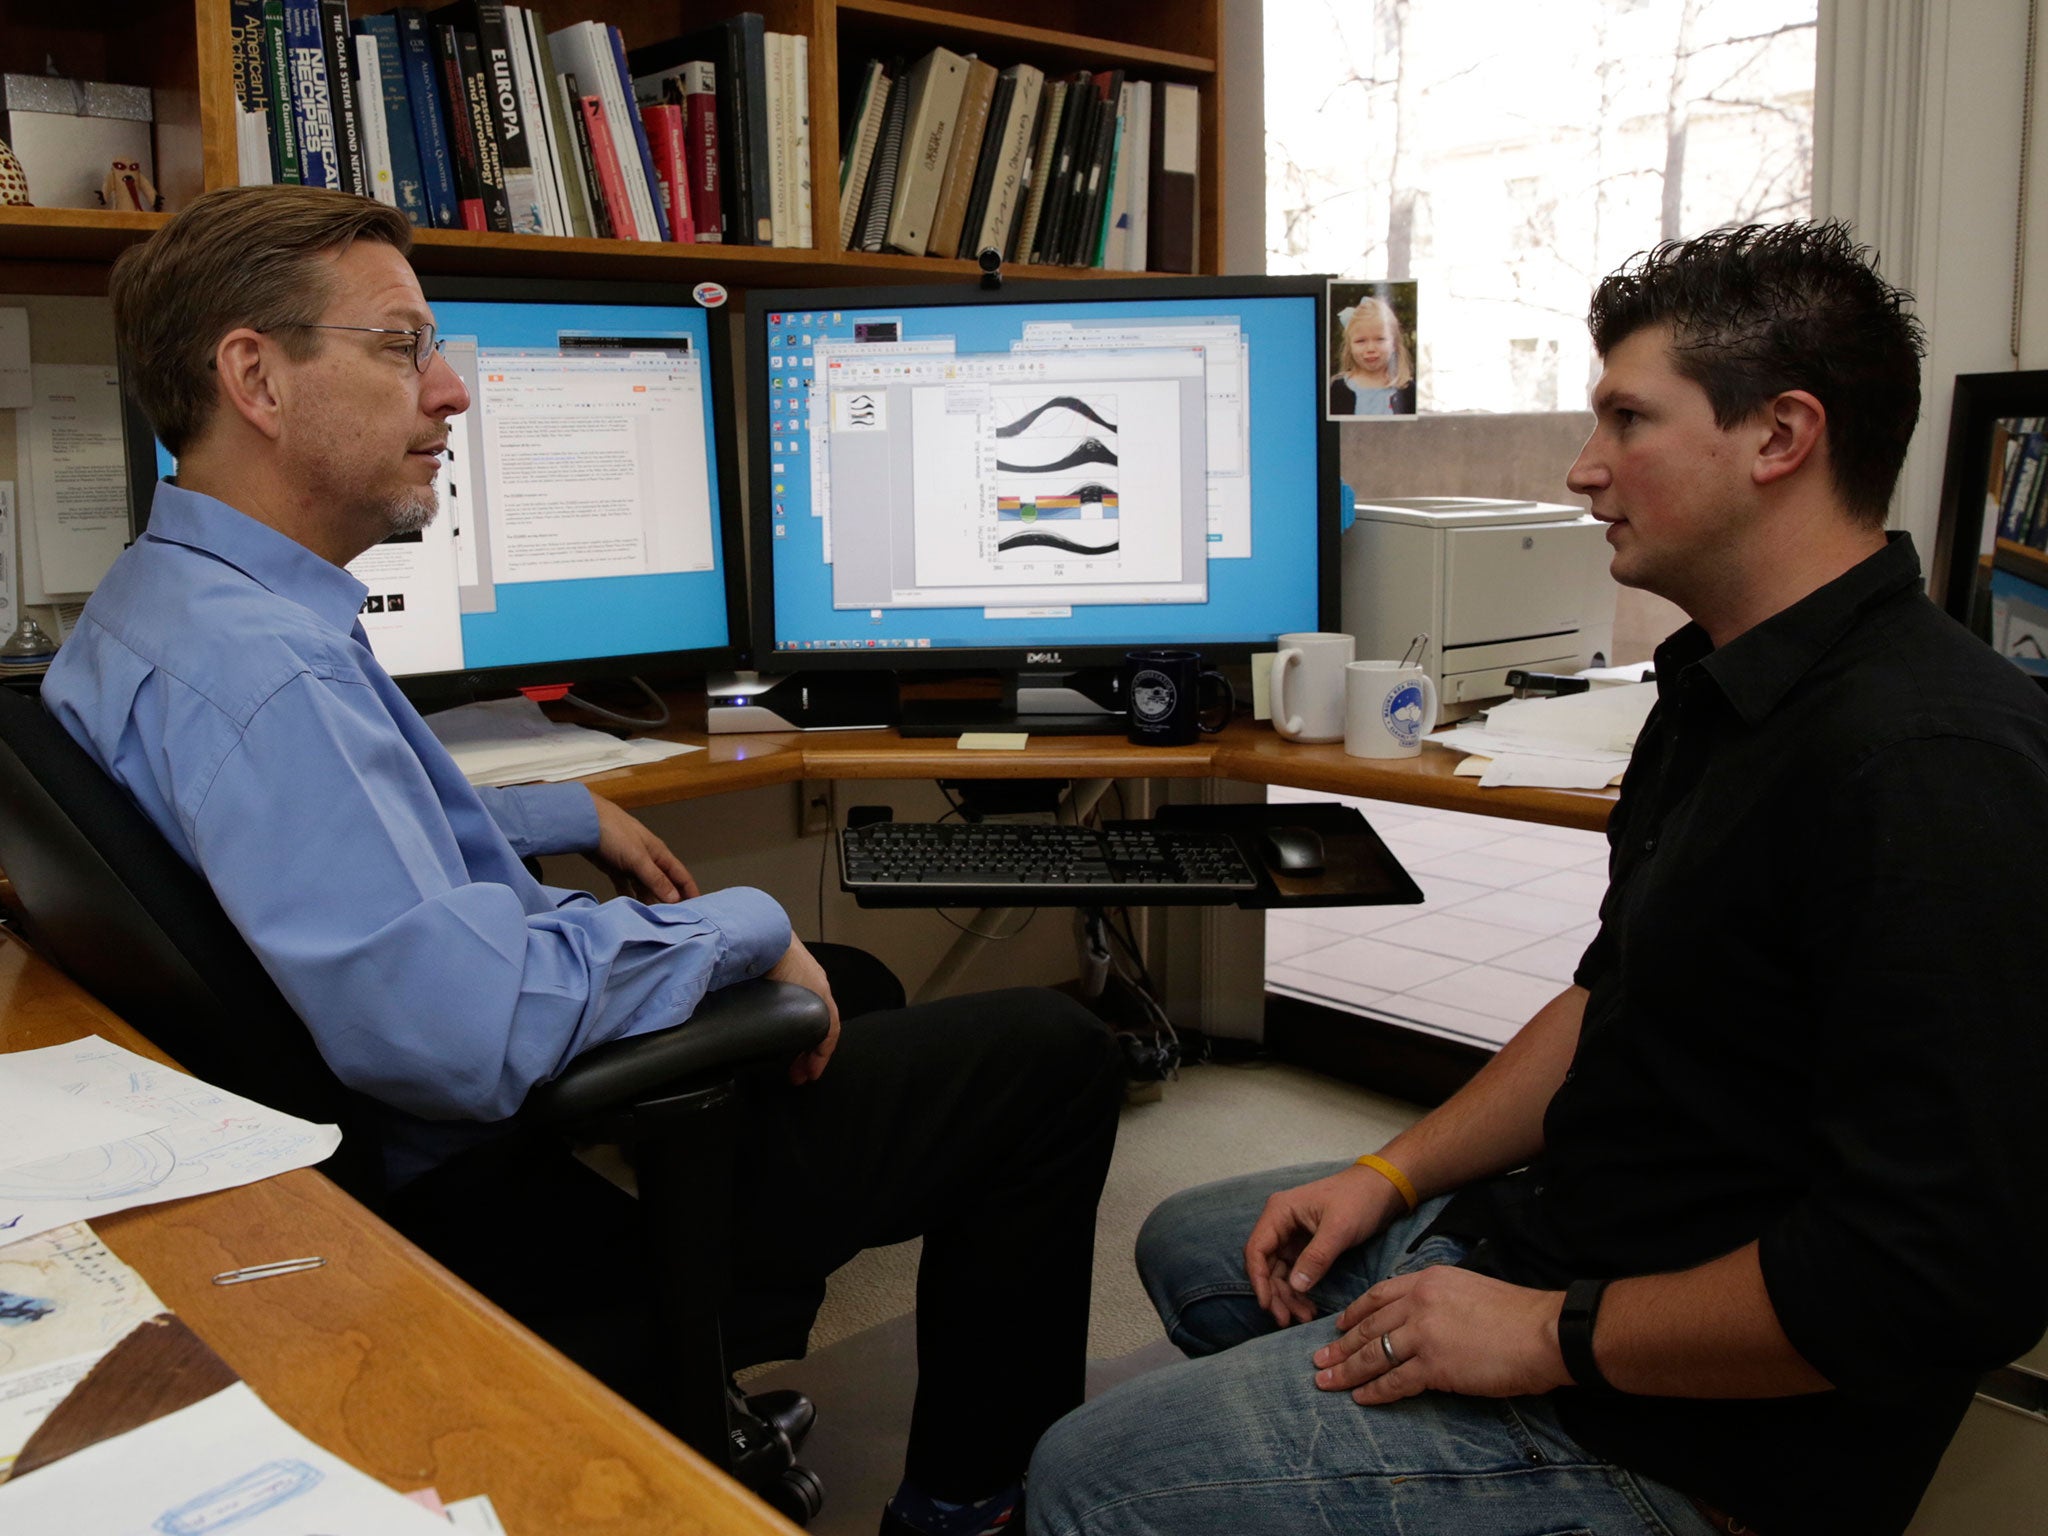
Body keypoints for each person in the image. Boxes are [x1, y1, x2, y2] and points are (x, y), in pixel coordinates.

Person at [43, 186, 1122, 1536]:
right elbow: (454, 1026)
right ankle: (972, 1509)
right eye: (400, 347)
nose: (451, 392)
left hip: (388, 1131)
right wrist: (725, 927)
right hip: (505, 1190)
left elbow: (316, 845)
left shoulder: (167, 608)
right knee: (1049, 1061)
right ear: (253, 376)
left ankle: (726, 1335)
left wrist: (561, 814)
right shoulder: (272, 673)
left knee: (849, 985)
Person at [1029, 220, 2048, 1536]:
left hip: (1706, 1435)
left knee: (1088, 1478)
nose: (1583, 468)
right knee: (1201, 1243)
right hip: (1583, 1241)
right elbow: (1612, 996)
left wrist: (1544, 1335)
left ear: (1779, 438)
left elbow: (1927, 1279)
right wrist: (1392, 1177)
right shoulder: (1719, 692)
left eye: (1628, 419)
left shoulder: (1930, 767)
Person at [1327, 295, 1416, 416]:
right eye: (1361, 341)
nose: (1370, 349)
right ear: (1350, 347)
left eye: (1380, 339)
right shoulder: (1338, 389)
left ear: (1394, 344)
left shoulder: (1407, 389)